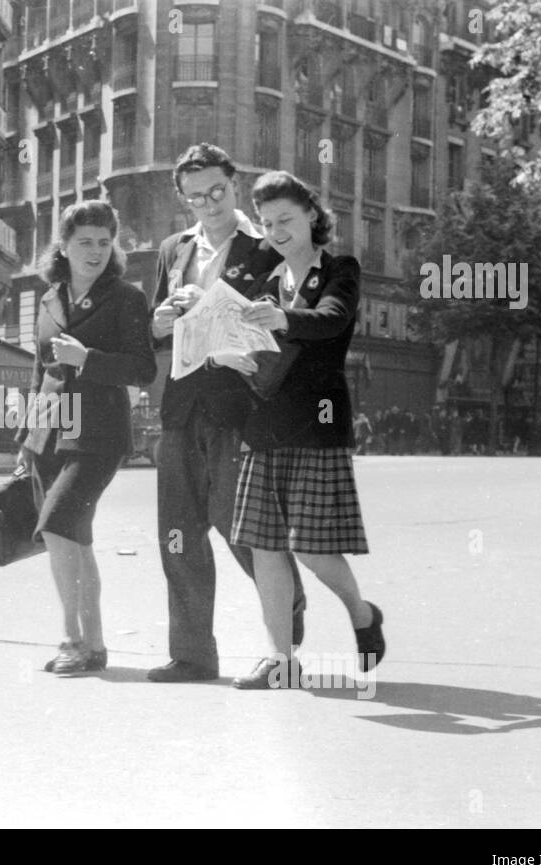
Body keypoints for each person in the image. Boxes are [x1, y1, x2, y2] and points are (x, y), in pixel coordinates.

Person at [146, 143, 307, 683]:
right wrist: (162, 320)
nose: (208, 203)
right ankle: (192, 654)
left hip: (240, 404)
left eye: (217, 191)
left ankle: (287, 613)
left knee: (237, 522)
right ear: (184, 200)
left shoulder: (268, 248)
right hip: (181, 403)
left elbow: (289, 328)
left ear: (235, 186)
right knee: (179, 532)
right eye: (196, 197)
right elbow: (153, 328)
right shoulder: (173, 249)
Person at [221, 170, 385, 689]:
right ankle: (280, 659)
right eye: (267, 222)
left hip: (317, 424)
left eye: (286, 219)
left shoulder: (339, 269)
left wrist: (282, 318)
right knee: (265, 545)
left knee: (313, 547)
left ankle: (362, 614)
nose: (275, 230)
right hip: (265, 424)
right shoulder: (264, 276)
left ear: (312, 215)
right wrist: (229, 352)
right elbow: (231, 321)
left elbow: (332, 320)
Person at [16, 200, 157, 675]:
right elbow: (41, 372)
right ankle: (93, 646)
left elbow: (143, 367)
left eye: (104, 242)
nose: (95, 252)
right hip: (52, 431)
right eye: (85, 242)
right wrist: (27, 439)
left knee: (57, 525)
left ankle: (72, 639)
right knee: (75, 540)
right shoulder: (50, 297)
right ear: (64, 246)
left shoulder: (126, 298)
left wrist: (88, 358)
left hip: (99, 432)